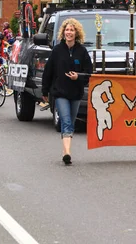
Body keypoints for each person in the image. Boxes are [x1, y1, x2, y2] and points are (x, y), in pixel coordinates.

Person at [41, 18, 92, 165]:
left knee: (70, 122)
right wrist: (45, 90)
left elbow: (89, 72)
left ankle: (65, 150)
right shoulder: (57, 50)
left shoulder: (82, 51)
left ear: (77, 33)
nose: (69, 32)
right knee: (66, 121)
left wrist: (78, 77)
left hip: (76, 93)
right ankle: (68, 153)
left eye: (72, 30)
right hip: (60, 92)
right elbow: (48, 71)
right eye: (67, 30)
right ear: (63, 33)